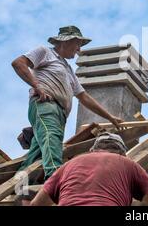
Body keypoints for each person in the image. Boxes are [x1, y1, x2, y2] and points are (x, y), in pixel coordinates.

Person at [12, 26, 124, 179]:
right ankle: (56, 181)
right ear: (65, 41)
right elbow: (18, 63)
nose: (79, 49)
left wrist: (110, 117)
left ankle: (21, 188)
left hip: (60, 115)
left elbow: (84, 97)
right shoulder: (45, 52)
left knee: (36, 155)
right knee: (52, 142)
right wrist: (37, 86)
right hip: (46, 106)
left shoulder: (69, 70)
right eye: (78, 44)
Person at [30, 133, 148, 206]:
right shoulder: (127, 164)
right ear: (122, 153)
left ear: (92, 150)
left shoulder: (68, 165)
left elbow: (36, 204)